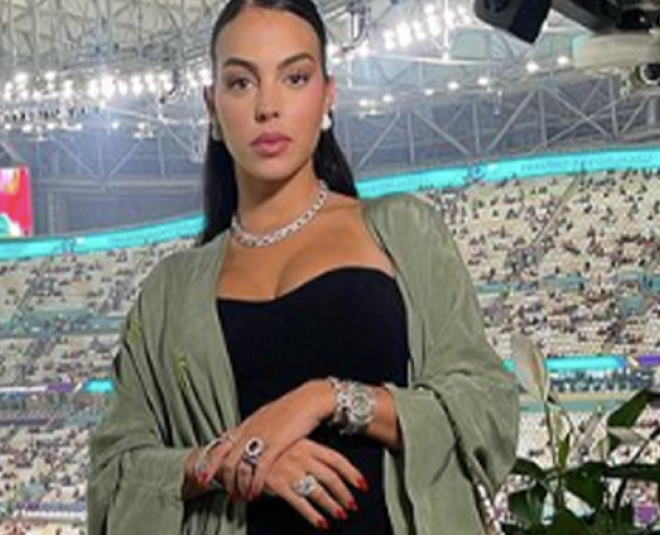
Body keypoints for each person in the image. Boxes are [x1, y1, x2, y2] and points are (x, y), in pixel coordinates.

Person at [87, 0, 519, 534]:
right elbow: (111, 477)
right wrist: (231, 460)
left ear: (327, 95)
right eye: (241, 83)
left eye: (294, 77)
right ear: (212, 106)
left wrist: (329, 399)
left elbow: (487, 409)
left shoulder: (403, 230)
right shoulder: (169, 292)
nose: (268, 107)